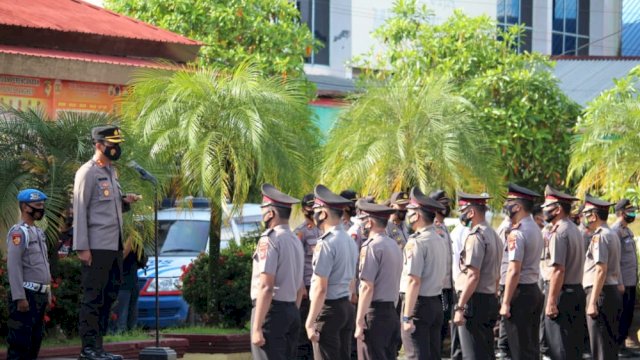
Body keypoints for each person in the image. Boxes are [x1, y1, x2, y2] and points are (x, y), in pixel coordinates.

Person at [73, 125, 140, 360]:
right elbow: (80, 210)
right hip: (96, 247)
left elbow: (108, 205)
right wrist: (82, 247)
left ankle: (99, 348)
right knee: (93, 298)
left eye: (117, 145)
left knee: (109, 295)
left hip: (114, 246)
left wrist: (125, 201)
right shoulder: (87, 172)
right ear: (99, 145)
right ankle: (88, 349)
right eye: (112, 145)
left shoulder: (111, 172)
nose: (116, 149)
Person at [251, 184, 305, 360]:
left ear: (271, 213)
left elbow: (266, 286)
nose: (262, 214)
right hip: (290, 310)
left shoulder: (270, 239)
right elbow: (300, 286)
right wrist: (292, 311)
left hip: (272, 313)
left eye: (264, 209)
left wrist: (257, 327)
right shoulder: (295, 239)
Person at [305, 185, 358, 360]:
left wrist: (310, 322)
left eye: (317, 210)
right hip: (345, 306)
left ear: (324, 214)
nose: (314, 214)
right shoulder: (348, 239)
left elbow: (320, 288)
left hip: (329, 309)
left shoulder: (326, 243)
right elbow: (351, 280)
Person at [452, 191, 502, 360]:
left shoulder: (476, 236)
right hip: (489, 298)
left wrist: (460, 307)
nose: (462, 216)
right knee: (486, 353)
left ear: (471, 213)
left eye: (463, 211)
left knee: (472, 354)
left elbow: (473, 276)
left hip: (474, 301)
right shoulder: (494, 235)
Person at [400, 187, 448, 360]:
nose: (407, 215)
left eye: (410, 211)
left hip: (418, 305)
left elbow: (413, 281)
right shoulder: (440, 238)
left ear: (417, 215)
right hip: (435, 302)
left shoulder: (417, 242)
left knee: (416, 355)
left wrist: (407, 316)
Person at [540, 185, 585, 360]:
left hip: (561, 293)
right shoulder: (573, 229)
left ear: (557, 209)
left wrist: (551, 301)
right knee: (573, 347)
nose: (544, 211)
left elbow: (558, 270)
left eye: (547, 207)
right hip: (575, 291)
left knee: (559, 348)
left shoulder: (559, 232)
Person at [499, 183, 544, 360]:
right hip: (532, 289)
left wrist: (505, 302)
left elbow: (514, 271)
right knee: (531, 347)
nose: (506, 205)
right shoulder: (535, 228)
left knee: (518, 350)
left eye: (509, 201)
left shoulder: (517, 233)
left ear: (517, 206)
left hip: (519, 293)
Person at [354, 200, 403, 359]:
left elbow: (367, 287)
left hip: (375, 313)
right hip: (391, 311)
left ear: (369, 222)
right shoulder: (394, 245)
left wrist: (360, 321)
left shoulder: (371, 247)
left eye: (363, 221)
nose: (362, 225)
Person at [6, 189, 51, 360]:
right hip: (26, 294)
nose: (41, 209)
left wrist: (48, 292)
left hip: (39, 294)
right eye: (37, 205)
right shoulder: (19, 232)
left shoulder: (38, 232)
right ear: (25, 207)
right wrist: (19, 297)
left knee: (35, 342)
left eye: (42, 205)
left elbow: (45, 264)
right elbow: (14, 265)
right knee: (20, 344)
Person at [581, 195, 623, 360]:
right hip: (609, 291)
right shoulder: (611, 233)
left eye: (586, 213)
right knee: (609, 347)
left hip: (600, 293)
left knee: (600, 349)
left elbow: (601, 270)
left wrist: (592, 301)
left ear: (594, 215)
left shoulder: (600, 236)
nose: (584, 218)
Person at [294, 193, 322, 359]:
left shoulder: (324, 229)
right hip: (307, 286)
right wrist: (300, 286)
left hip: (320, 287)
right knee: (304, 334)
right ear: (304, 209)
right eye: (310, 206)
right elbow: (296, 262)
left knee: (318, 331)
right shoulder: (301, 232)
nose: (313, 210)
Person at [429, 189, 455, 358]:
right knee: (434, 333)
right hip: (436, 290)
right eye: (441, 203)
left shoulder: (444, 228)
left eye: (447, 203)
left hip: (446, 288)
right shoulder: (432, 229)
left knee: (442, 328)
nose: (445, 207)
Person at [612, 199, 639, 358]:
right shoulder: (615, 231)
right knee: (620, 315)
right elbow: (615, 260)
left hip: (630, 281)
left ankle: (622, 344)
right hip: (622, 283)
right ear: (622, 213)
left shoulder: (627, 230)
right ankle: (618, 346)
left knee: (627, 314)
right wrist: (620, 281)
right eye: (630, 211)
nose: (632, 213)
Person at [108, 238, 142, 334]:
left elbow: (121, 255)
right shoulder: (133, 235)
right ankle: (128, 333)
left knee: (121, 320)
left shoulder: (129, 236)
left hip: (124, 281)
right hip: (129, 280)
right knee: (127, 316)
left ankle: (122, 334)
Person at [495, 214, 512, 360]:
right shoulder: (507, 228)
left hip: (507, 276)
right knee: (506, 313)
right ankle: (503, 347)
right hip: (506, 277)